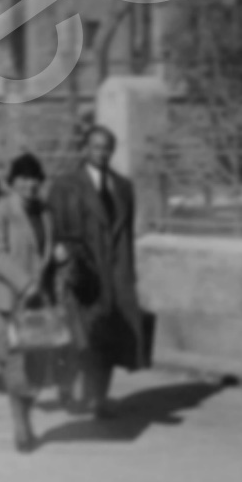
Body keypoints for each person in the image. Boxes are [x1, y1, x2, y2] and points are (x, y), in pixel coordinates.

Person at [48, 124, 148, 419]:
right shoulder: (66, 185)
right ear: (84, 149)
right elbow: (53, 228)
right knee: (78, 338)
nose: (101, 153)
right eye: (95, 147)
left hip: (115, 275)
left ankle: (98, 398)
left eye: (106, 148)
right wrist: (61, 264)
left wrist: (129, 276)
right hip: (82, 273)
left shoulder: (123, 187)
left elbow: (126, 235)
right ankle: (67, 388)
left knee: (107, 337)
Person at [0, 154, 57, 453]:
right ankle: (20, 422)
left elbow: (45, 251)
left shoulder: (45, 212)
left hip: (37, 302)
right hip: (8, 298)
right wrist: (24, 283)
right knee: (10, 361)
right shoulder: (2, 210)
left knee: (34, 366)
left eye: (34, 178)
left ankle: (24, 419)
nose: (30, 184)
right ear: (13, 182)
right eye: (23, 178)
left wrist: (58, 257)